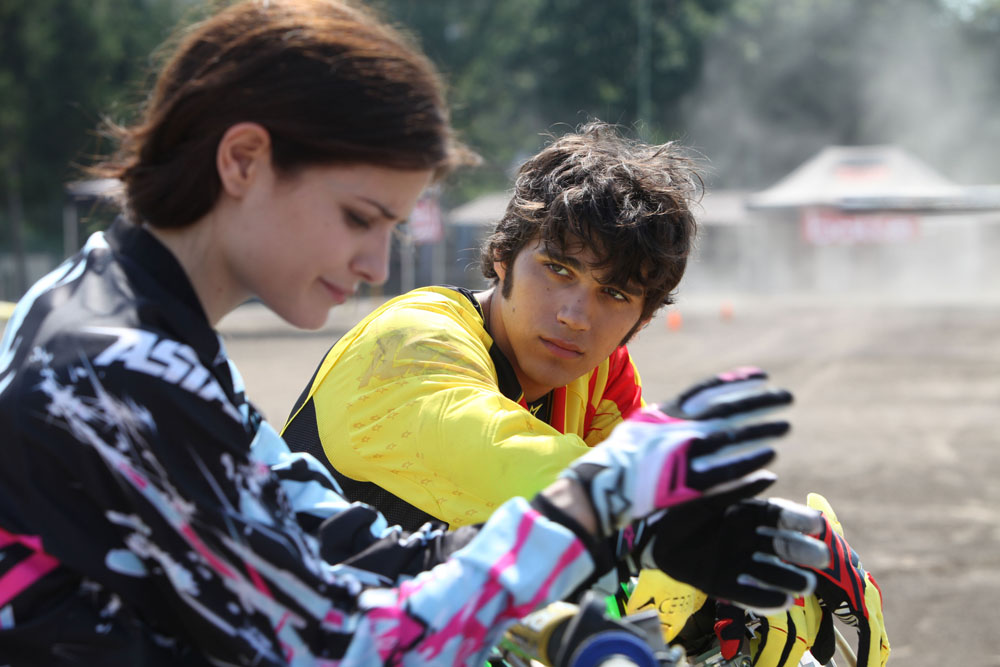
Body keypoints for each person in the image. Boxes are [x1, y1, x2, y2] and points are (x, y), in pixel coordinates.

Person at [0, 1, 829, 665]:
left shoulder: (123, 314)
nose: (374, 263)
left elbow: (333, 540)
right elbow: (342, 642)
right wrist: (600, 506)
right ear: (243, 160)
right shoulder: (114, 369)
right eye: (360, 217)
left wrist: (639, 535)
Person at [281, 123, 889, 665]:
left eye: (615, 294)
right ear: (502, 257)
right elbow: (524, 467)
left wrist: (738, 572)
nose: (576, 314)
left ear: (642, 320)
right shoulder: (410, 341)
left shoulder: (601, 374)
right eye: (558, 269)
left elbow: (629, 550)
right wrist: (694, 524)